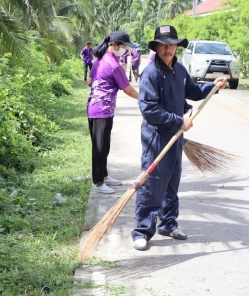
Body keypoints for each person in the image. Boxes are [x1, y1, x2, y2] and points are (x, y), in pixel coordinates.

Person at [131, 26, 228, 250]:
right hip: (156, 138)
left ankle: (168, 224)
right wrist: (178, 120)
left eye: (172, 45)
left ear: (176, 47)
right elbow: (149, 110)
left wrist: (213, 86)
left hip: (175, 137)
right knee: (153, 183)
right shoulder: (151, 73)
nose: (168, 49)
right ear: (156, 47)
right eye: (163, 45)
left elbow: (192, 91)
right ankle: (142, 231)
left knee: (172, 182)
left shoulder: (179, 69)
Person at [87, 31, 139, 194]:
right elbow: (128, 89)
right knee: (99, 147)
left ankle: (104, 176)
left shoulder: (99, 59)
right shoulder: (114, 64)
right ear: (114, 45)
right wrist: (143, 99)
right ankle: (97, 183)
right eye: (124, 46)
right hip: (101, 109)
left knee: (104, 145)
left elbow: (89, 81)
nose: (125, 50)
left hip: (96, 107)